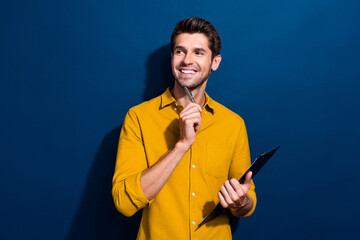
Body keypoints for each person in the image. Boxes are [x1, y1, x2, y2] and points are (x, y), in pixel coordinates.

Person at [112, 17, 256, 239]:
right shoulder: (138, 118)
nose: (187, 60)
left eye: (198, 52)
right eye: (180, 51)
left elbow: (247, 199)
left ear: (215, 62)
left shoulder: (233, 123)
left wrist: (240, 202)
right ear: (172, 58)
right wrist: (182, 145)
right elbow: (124, 203)